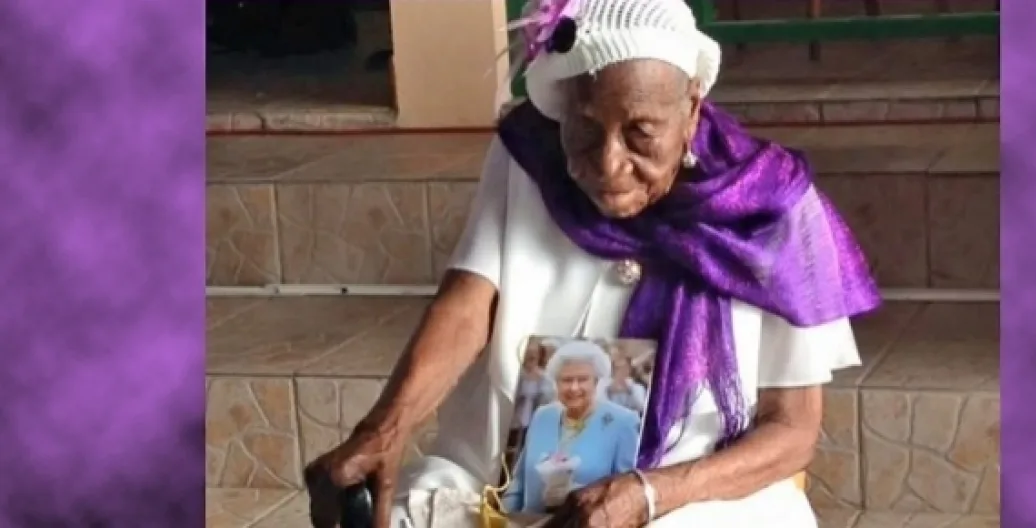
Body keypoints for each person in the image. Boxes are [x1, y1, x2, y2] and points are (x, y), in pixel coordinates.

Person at [302, 0, 881, 526]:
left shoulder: (770, 204)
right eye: (584, 130)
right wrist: (386, 426)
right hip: (496, 482)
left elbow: (792, 429)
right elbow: (469, 301)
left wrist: (647, 495)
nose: (608, 163)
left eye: (640, 134)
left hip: (689, 497)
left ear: (691, 111)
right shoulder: (529, 156)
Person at [502, 341, 641, 514]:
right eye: (566, 380)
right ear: (556, 383)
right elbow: (518, 482)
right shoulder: (543, 415)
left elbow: (625, 495)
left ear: (596, 381)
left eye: (582, 379)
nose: (574, 388)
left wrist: (577, 495)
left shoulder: (623, 422)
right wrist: (503, 517)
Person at [509, 340, 556, 451]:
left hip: (534, 423)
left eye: (533, 356)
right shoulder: (515, 375)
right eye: (527, 354)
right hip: (514, 422)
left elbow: (549, 400)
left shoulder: (545, 378)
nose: (530, 358)